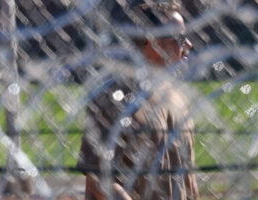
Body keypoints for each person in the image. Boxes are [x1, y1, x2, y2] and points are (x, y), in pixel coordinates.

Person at [77, 1, 198, 199]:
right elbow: (99, 182)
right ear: (153, 41)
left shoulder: (178, 97)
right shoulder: (115, 98)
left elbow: (189, 183)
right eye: (180, 38)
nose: (188, 45)